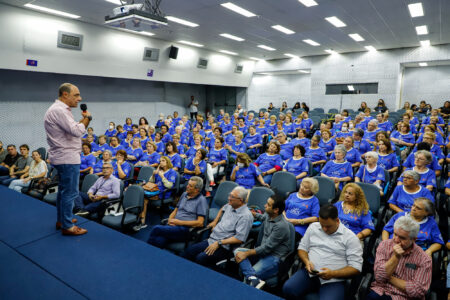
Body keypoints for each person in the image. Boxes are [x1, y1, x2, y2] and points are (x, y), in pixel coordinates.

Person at [283, 204, 363, 300]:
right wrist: (306, 262)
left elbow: (356, 268)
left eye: (328, 226)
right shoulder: (313, 227)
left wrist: (333, 273)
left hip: (333, 280)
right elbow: (302, 248)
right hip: (310, 273)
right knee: (288, 289)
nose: (324, 229)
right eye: (322, 225)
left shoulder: (350, 238)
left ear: (337, 221)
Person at [44, 83, 91, 235]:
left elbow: (70, 130)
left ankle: (63, 219)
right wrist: (87, 119)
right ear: (65, 94)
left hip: (62, 156)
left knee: (64, 192)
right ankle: (67, 226)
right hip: (68, 158)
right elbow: (77, 131)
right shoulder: (60, 110)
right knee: (70, 193)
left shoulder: (57, 109)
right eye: (76, 95)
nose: (80, 98)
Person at [183, 186, 253, 269]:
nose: (228, 198)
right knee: (188, 252)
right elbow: (223, 208)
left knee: (200, 258)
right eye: (229, 195)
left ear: (240, 200)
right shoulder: (231, 205)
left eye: (232, 197)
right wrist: (215, 222)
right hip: (212, 240)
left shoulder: (246, 216)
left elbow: (239, 238)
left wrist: (219, 242)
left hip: (224, 247)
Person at [234, 195, 291, 289]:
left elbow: (267, 248)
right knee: (237, 251)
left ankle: (249, 280)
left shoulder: (281, 226)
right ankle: (252, 277)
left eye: (268, 205)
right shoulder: (270, 215)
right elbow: (262, 217)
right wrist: (252, 213)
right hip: (262, 252)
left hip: (274, 257)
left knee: (247, 277)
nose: (264, 206)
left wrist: (247, 253)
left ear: (276, 210)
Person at [368, 216, 432, 300]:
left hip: (405, 297)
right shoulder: (384, 245)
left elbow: (418, 291)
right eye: (395, 234)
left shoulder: (424, 259)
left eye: (402, 238)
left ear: (414, 239)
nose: (396, 240)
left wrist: (388, 277)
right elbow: (379, 277)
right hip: (382, 291)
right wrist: (396, 257)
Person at [147, 176, 208, 249]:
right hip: (174, 225)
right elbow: (176, 210)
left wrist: (179, 222)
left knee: (157, 229)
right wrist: (170, 220)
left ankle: (145, 249)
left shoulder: (201, 200)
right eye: (188, 184)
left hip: (185, 229)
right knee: (160, 240)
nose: (187, 186)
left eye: (190, 186)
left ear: (196, 190)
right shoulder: (184, 194)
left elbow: (200, 223)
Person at [283, 178, 320, 242]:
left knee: (287, 238)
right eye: (302, 185)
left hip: (299, 227)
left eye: (306, 187)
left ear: (312, 191)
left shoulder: (314, 200)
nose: (302, 188)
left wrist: (299, 221)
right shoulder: (292, 195)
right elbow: (282, 208)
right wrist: (285, 218)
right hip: (284, 222)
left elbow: (316, 218)